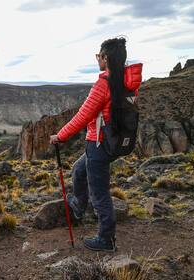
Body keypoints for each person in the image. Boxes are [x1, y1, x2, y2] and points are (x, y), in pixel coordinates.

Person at [50, 37, 142, 252]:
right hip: (114, 143)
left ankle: (106, 239)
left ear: (105, 58)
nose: (97, 59)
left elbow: (83, 116)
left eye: (98, 56)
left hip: (99, 144)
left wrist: (60, 136)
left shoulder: (104, 84)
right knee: (79, 170)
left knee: (99, 194)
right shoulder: (127, 82)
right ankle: (79, 206)